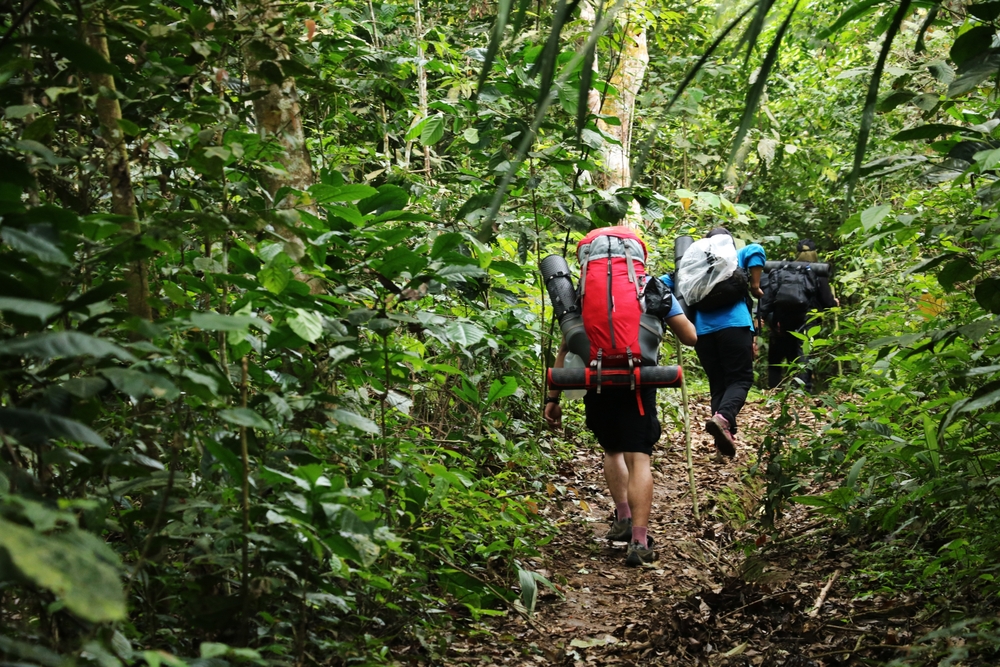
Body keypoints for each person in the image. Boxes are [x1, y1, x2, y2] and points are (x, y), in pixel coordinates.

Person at [544, 294, 696, 567]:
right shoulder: (652, 288)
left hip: (597, 379)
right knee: (638, 458)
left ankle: (623, 518)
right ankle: (639, 542)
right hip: (638, 381)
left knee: (612, 449)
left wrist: (552, 399)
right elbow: (690, 337)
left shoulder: (582, 292)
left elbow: (566, 346)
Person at [670, 227, 765, 458]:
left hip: (702, 332)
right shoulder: (732, 256)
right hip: (734, 326)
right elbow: (755, 250)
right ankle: (723, 419)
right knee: (740, 379)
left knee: (718, 384)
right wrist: (754, 285)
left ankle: (723, 443)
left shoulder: (694, 267)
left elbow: (666, 283)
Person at [764, 238, 838, 392]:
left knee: (778, 354)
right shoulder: (817, 271)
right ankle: (802, 391)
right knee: (803, 353)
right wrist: (834, 303)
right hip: (807, 319)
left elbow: (771, 296)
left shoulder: (784, 269)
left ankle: (773, 389)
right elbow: (826, 301)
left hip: (782, 320)